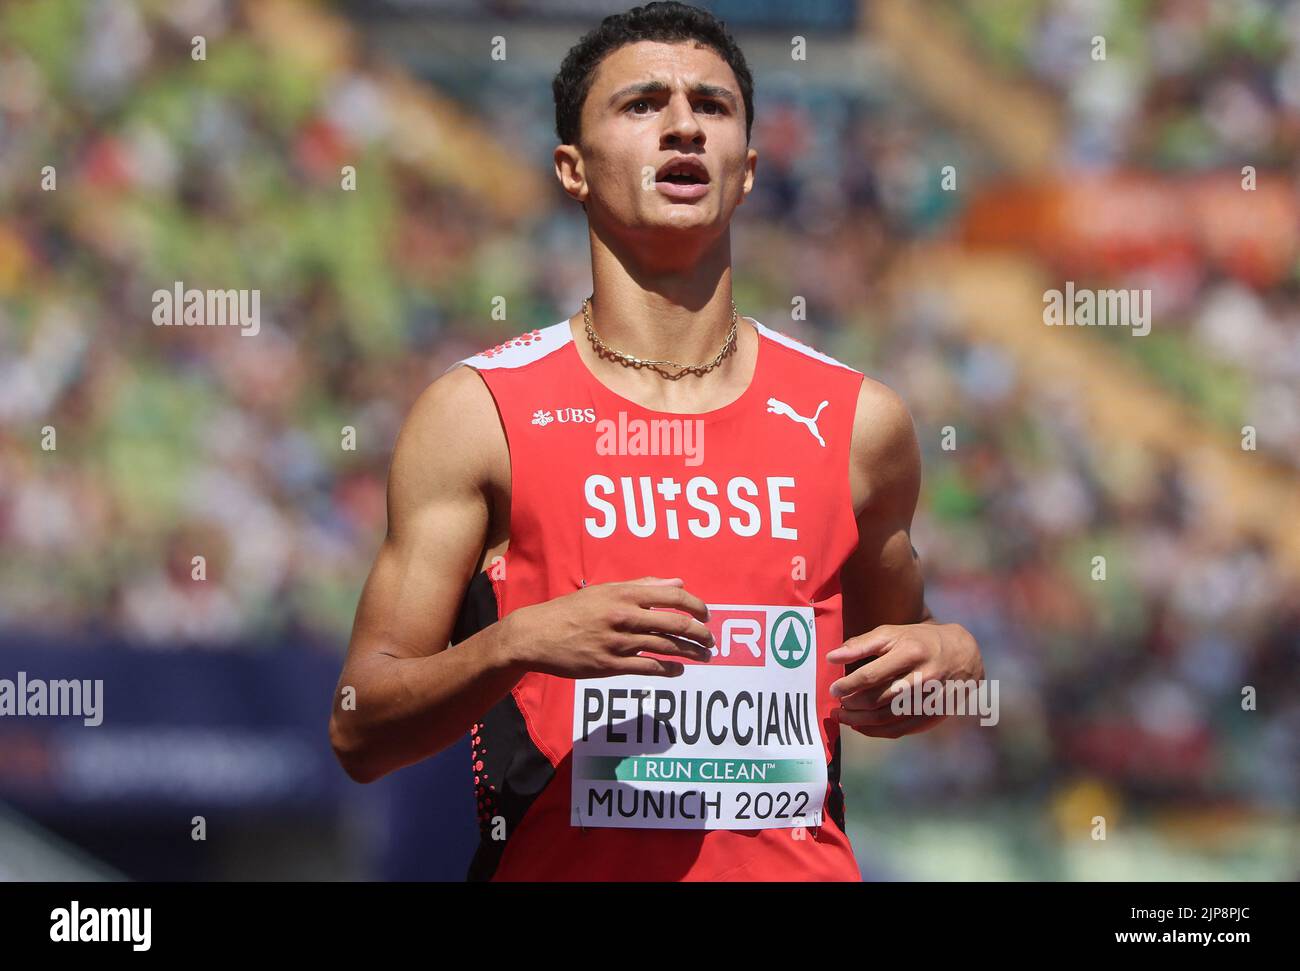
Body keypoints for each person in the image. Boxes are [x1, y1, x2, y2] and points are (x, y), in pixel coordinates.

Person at [329, 0, 984, 881]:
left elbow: (895, 691)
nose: (683, 127)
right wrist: (513, 642)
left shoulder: (858, 421)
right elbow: (358, 727)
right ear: (572, 167)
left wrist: (956, 661)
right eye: (641, 105)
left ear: (747, 170)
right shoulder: (479, 414)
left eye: (712, 108)